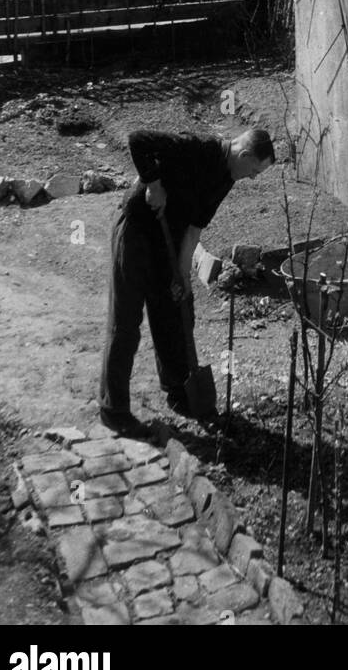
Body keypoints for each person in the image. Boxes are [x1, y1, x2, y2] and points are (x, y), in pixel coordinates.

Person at [99, 126, 275, 437]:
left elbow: (194, 230)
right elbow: (137, 139)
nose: (254, 178)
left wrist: (183, 278)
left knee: (174, 312)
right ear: (243, 154)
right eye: (255, 170)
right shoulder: (198, 147)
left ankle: (178, 391)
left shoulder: (226, 180)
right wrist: (153, 184)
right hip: (137, 230)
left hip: (168, 240)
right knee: (126, 320)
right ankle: (114, 410)